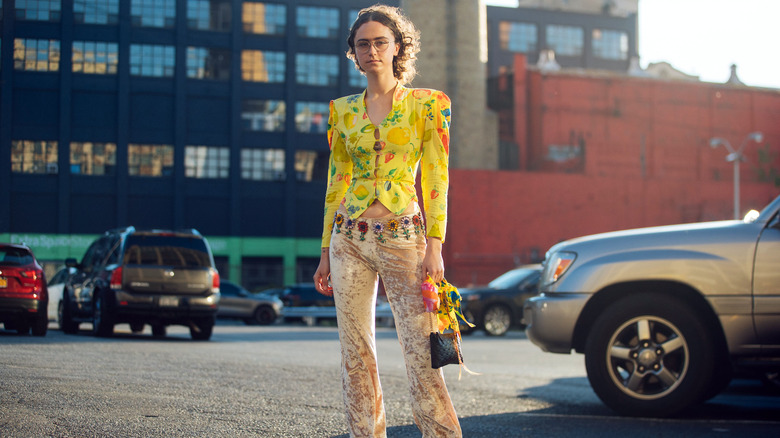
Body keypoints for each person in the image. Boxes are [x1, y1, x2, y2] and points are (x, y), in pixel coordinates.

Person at [312, 4, 461, 438]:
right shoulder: (340, 111)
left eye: (381, 42)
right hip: (348, 239)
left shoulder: (428, 105)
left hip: (405, 237)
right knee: (355, 353)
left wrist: (435, 245)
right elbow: (335, 181)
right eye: (363, 44)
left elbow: (436, 177)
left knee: (421, 352)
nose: (372, 51)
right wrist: (324, 251)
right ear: (354, 54)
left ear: (398, 48)